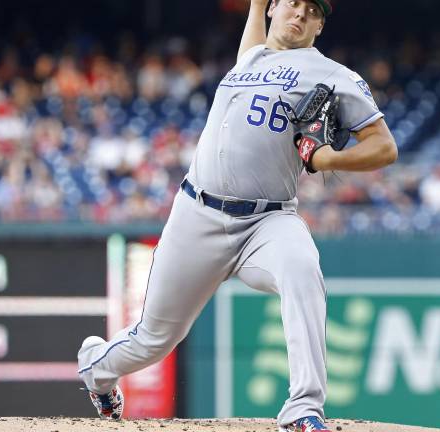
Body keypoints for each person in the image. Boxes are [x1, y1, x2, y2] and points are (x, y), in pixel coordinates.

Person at [75, 1, 397, 432]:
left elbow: (384, 147)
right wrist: (257, 6)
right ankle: (96, 368)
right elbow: (253, 44)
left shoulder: (334, 75)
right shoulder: (252, 59)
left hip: (267, 222)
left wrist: (329, 158)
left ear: (320, 25)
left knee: (302, 268)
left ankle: (303, 408)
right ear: (275, 9)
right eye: (293, 3)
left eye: (312, 10)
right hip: (197, 214)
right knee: (154, 339)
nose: (300, 14)